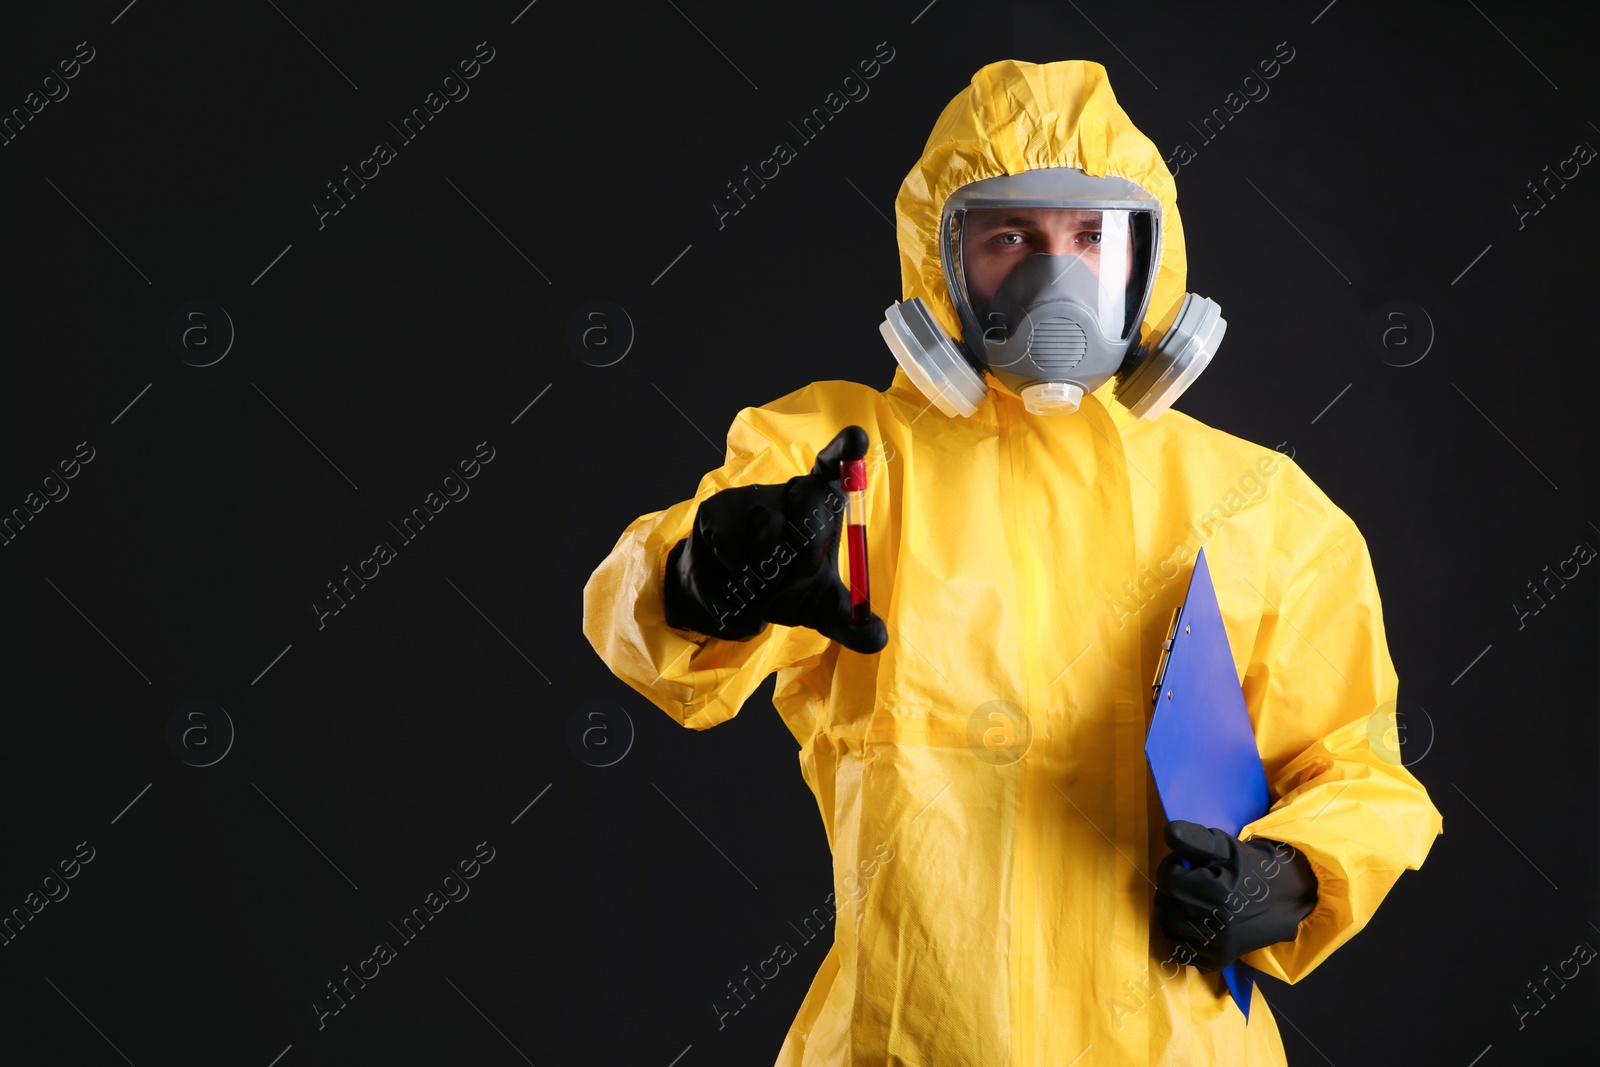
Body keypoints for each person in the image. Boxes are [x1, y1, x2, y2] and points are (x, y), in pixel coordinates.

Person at [583, 58, 1443, 1066]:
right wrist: (706, 575)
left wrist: (1289, 876)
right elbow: (637, 620)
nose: (1057, 276)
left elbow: (1361, 771)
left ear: (1149, 262)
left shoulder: (1259, 505)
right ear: (940, 261)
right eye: (1010, 237)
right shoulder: (848, 464)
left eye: (1091, 236)